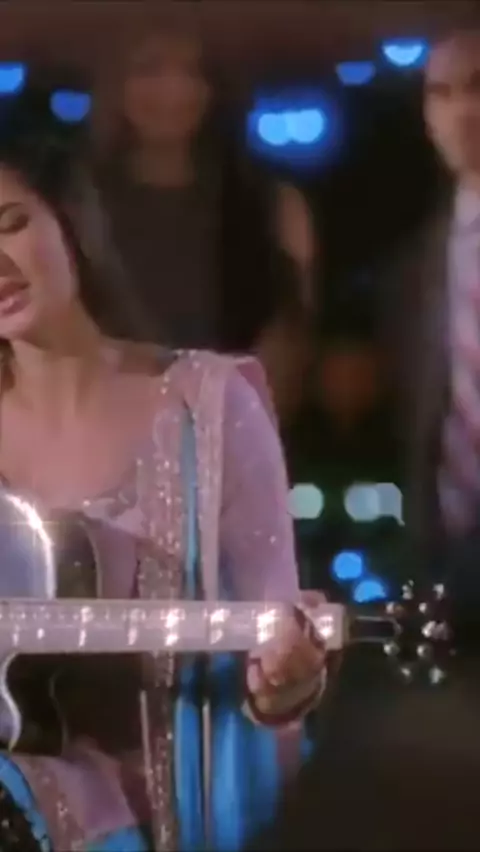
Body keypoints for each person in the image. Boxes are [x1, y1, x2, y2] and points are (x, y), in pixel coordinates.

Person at [0, 99, 326, 851]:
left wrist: (288, 681)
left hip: (165, 821)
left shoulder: (207, 408)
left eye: (10, 225)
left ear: (68, 222)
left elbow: (277, 665)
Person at [95, 28, 317, 416]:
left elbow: (293, 331)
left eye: (192, 72)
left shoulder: (270, 202)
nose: (172, 89)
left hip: (235, 423)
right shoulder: (78, 205)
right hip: (108, 421)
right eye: (150, 69)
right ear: (116, 85)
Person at [379, 23, 480, 623]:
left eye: (478, 86)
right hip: (447, 545)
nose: (462, 110)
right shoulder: (414, 266)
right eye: (441, 93)